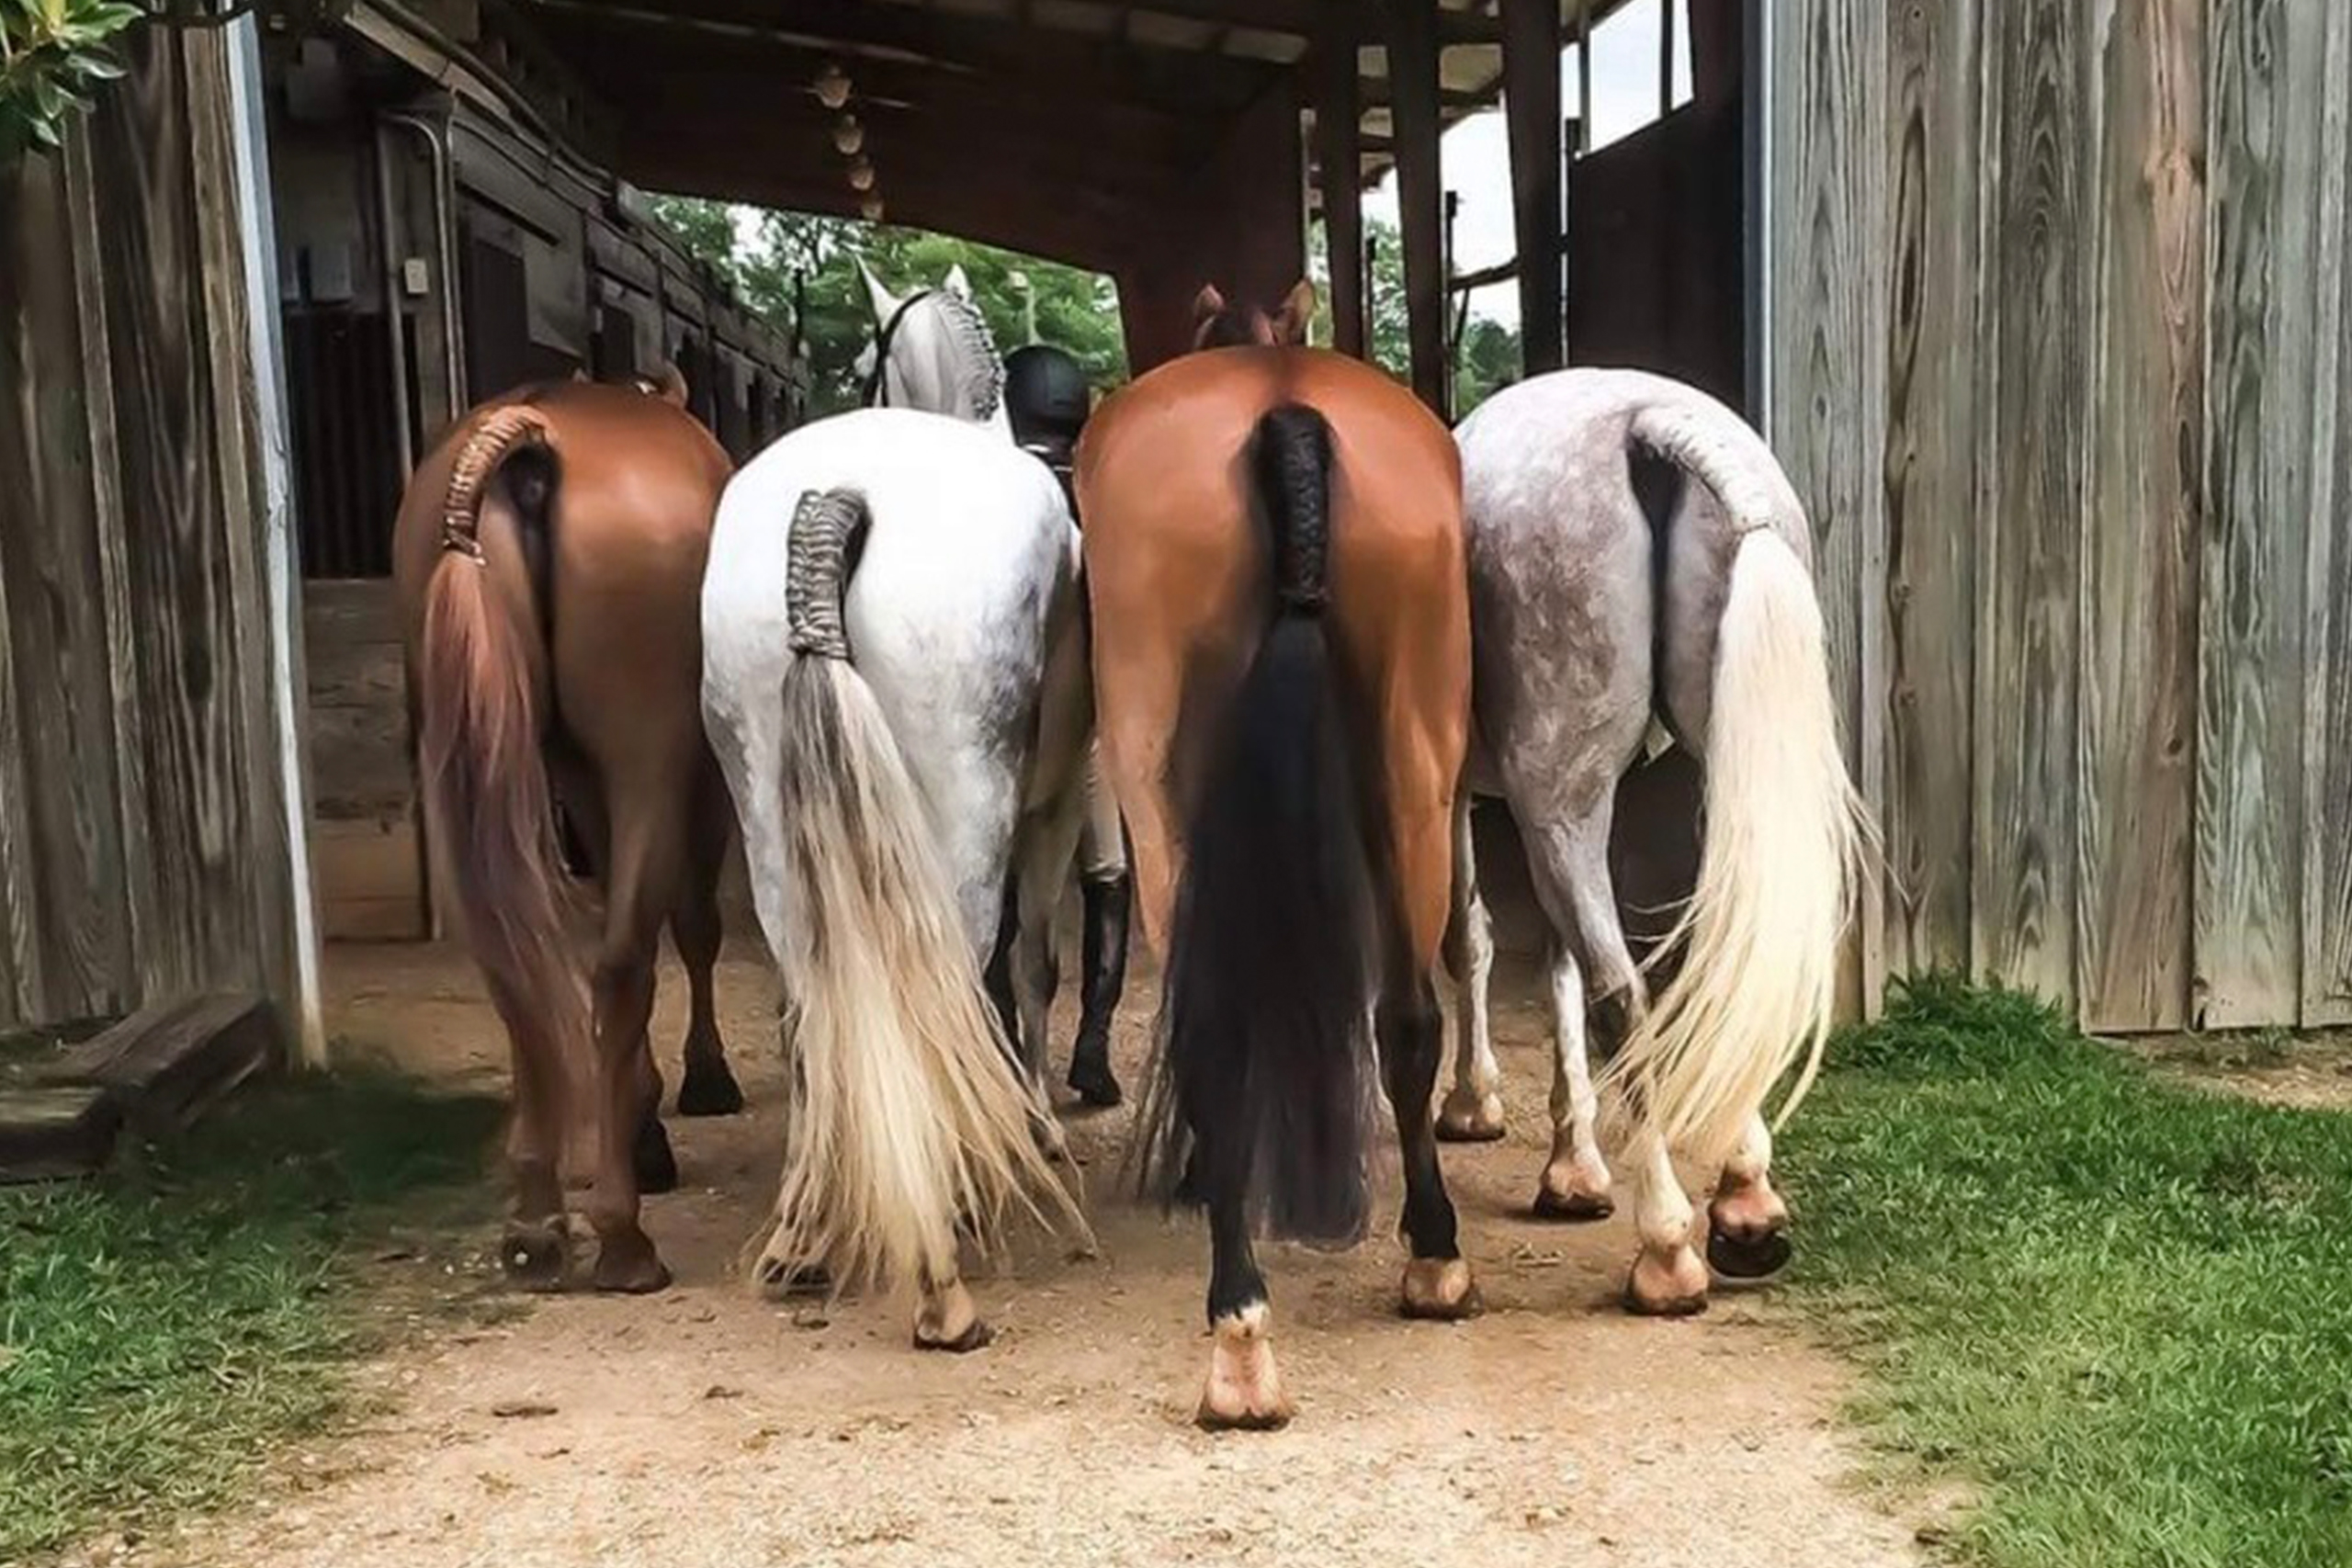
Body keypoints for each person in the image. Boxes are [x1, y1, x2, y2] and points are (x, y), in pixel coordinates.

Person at [1003, 344, 1129, 1107]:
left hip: (1014, 730)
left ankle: (1024, 1060)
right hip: (1094, 733)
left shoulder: (993, 494)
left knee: (1016, 903)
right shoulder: (1098, 494)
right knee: (1108, 880)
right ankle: (1095, 1046)